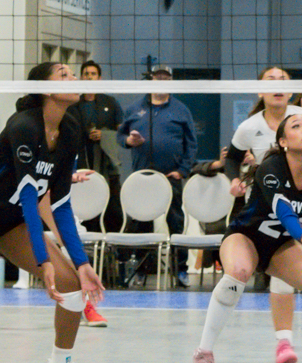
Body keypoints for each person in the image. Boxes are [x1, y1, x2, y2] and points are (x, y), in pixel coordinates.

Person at [191, 114, 302, 363]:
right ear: (283, 141)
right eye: (297, 127)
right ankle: (204, 352)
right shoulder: (270, 167)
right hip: (246, 236)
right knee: (237, 273)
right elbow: (284, 210)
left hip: (279, 245)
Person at [222, 66, 302, 363]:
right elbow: (231, 157)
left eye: (283, 80)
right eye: (270, 80)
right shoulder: (250, 126)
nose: (277, 85)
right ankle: (284, 342)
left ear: (291, 90)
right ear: (260, 90)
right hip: (267, 205)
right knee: (278, 270)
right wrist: (234, 178)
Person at [0, 62, 104, 363]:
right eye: (64, 74)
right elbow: (31, 197)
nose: (74, 77)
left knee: (72, 286)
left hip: (9, 223)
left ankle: (60, 360)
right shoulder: (24, 126)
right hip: (19, 211)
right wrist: (43, 260)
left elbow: (59, 203)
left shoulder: (70, 128)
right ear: (47, 89)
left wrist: (82, 261)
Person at [116, 64, 197, 287]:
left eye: (165, 77)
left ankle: (180, 269)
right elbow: (120, 135)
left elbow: (191, 144)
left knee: (175, 222)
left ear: (171, 81)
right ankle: (142, 270)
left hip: (171, 177)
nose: (161, 80)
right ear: (150, 80)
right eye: (157, 77)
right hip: (143, 178)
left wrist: (182, 170)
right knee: (141, 222)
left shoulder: (181, 110)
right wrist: (128, 141)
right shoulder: (134, 109)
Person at [66, 60, 120, 328]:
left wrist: (105, 135)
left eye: (89, 74)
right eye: (79, 74)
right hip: (55, 187)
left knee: (72, 254)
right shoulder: (68, 108)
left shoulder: (107, 102)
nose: (82, 78)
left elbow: (120, 133)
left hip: (96, 175)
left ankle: (90, 300)